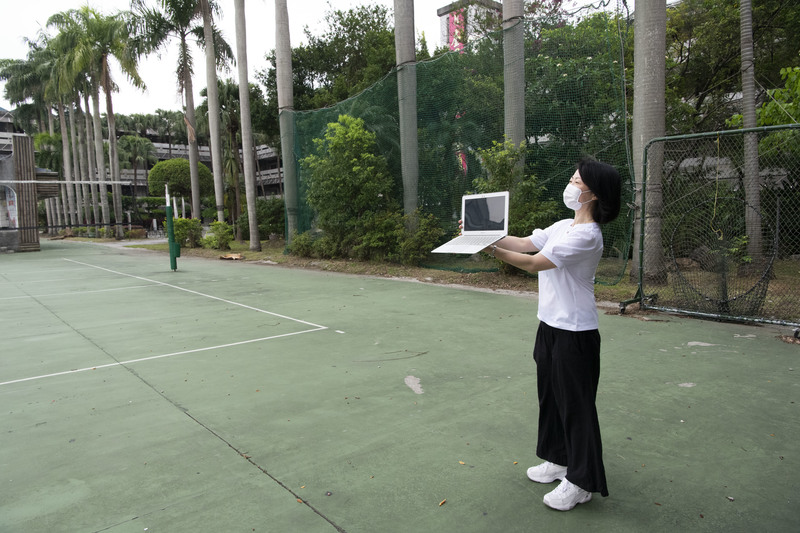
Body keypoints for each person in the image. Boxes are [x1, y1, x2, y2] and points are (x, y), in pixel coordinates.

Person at [482, 157, 621, 511]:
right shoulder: (562, 225)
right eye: (572, 178)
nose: (571, 185)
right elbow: (525, 243)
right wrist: (483, 233)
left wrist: (490, 250)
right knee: (552, 399)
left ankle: (581, 482)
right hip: (550, 327)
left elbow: (532, 262)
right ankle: (559, 460)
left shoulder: (587, 236)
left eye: (576, 181)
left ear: (592, 193)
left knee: (577, 407)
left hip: (576, 334)